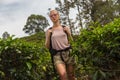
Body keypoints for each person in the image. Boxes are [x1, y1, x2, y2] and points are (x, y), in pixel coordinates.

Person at [45, 10, 76, 80]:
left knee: (71, 75)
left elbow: (72, 42)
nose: (53, 17)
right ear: (50, 18)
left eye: (55, 15)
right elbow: (47, 46)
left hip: (69, 53)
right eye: (51, 16)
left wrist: (68, 33)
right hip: (57, 55)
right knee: (63, 75)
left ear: (58, 15)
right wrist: (48, 36)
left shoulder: (65, 28)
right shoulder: (48, 31)